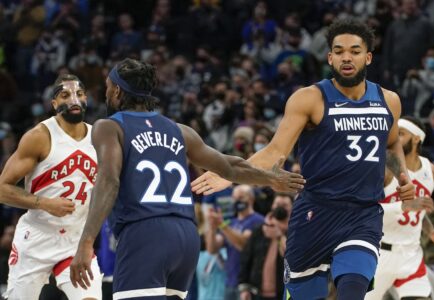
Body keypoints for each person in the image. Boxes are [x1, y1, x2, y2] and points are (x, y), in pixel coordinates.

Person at [192, 19, 416, 300]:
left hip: (363, 214)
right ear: (330, 57)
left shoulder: (389, 100)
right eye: (339, 50)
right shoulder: (310, 98)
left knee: (352, 291)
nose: (347, 57)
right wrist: (230, 172)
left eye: (355, 51)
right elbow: (275, 152)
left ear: (368, 56)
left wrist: (403, 175)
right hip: (315, 214)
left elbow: (392, 143)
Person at [69, 58, 304, 299]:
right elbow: (229, 166)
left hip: (144, 232)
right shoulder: (180, 130)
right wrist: (268, 178)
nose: (106, 93)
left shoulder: (108, 127)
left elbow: (109, 181)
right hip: (186, 236)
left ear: (117, 90)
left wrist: (86, 242)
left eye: (108, 86)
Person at [0, 74, 102, 299]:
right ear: (54, 103)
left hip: (76, 240)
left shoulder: (99, 137)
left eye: (79, 93)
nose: (74, 99)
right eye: (65, 95)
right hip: (37, 239)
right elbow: (2, 189)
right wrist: (43, 203)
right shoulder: (39, 136)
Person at [365, 116, 434, 300]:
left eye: (401, 134)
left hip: (411, 255)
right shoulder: (384, 170)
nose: (395, 140)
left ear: (417, 138)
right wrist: (403, 206)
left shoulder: (431, 171)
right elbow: (366, 212)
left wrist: (431, 231)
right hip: (379, 255)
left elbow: (418, 210)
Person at [205, 184, 265, 300]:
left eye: (241, 197)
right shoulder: (231, 222)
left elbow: (244, 245)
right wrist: (212, 227)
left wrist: (222, 225)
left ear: (251, 198)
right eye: (235, 197)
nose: (237, 201)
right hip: (230, 282)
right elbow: (212, 249)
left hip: (248, 285)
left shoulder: (258, 221)